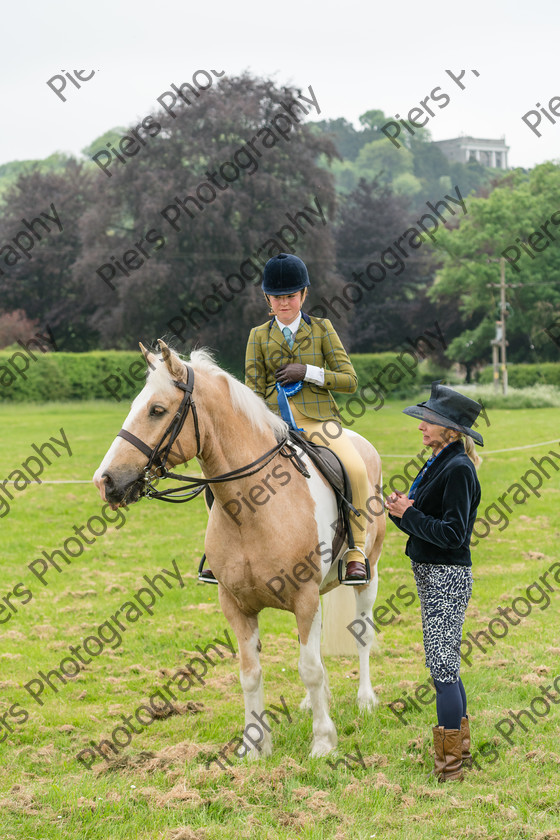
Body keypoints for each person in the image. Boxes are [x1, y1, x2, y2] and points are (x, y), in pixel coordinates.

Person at [244, 252, 371, 584]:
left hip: (319, 421)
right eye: (277, 296)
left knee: (355, 468)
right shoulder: (258, 336)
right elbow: (252, 389)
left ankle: (356, 552)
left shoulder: (322, 329)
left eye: (290, 295)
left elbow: (350, 380)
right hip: (273, 425)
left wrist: (310, 372)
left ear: (303, 295)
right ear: (267, 298)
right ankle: (222, 551)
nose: (284, 302)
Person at [384, 381, 483, 782]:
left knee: (442, 671)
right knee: (446, 667)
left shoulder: (458, 468)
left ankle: (451, 769)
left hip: (446, 577)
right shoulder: (441, 460)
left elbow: (453, 534)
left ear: (451, 430)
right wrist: (399, 512)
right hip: (432, 575)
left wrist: (410, 515)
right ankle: (460, 753)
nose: (422, 426)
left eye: (430, 420)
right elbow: (425, 523)